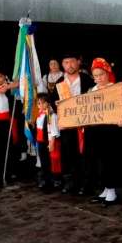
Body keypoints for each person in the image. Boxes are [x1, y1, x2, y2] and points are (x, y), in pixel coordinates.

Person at [51, 52, 95, 194]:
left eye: (72, 61)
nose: (69, 65)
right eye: (66, 62)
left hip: (85, 124)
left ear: (78, 62)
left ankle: (86, 184)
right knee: (68, 153)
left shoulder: (87, 79)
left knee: (86, 154)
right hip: (67, 124)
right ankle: (70, 182)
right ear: (62, 65)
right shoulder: (59, 82)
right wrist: (56, 104)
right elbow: (53, 102)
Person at [85, 58, 122, 207]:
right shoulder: (92, 90)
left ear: (108, 73)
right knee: (100, 160)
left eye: (101, 74)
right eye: (95, 76)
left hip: (110, 131)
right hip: (96, 130)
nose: (98, 78)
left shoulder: (116, 88)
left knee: (110, 160)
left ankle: (112, 191)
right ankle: (105, 188)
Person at [34, 93, 61, 191]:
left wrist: (52, 143)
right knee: (44, 162)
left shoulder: (51, 115)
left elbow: (54, 130)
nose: (39, 105)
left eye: (41, 103)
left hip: (48, 142)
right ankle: (45, 180)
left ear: (47, 103)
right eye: (38, 103)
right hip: (40, 141)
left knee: (52, 162)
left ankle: (54, 181)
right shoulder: (40, 115)